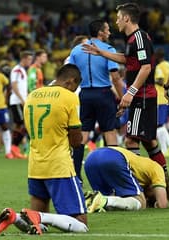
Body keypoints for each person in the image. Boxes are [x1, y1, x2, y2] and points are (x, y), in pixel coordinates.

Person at [0, 64, 88, 235]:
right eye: (75, 87)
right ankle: (38, 216)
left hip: (35, 166)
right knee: (81, 225)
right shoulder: (69, 97)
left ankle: (15, 217)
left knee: (38, 226)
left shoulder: (32, 96)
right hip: (59, 166)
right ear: (71, 82)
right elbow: (76, 141)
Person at [82, 3, 169, 186]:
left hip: (143, 96)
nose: (116, 22)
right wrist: (101, 52)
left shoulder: (139, 38)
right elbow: (126, 59)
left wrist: (130, 92)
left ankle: (138, 185)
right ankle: (165, 183)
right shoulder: (132, 40)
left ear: (126, 19)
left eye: (118, 18)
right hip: (140, 96)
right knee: (149, 142)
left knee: (131, 140)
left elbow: (146, 67)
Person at [66, 19, 123, 181]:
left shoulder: (76, 51)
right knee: (110, 133)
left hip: (85, 94)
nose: (110, 32)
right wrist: (122, 97)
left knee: (83, 135)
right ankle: (115, 175)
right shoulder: (108, 50)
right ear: (100, 32)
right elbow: (116, 77)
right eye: (107, 29)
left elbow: (70, 76)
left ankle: (75, 176)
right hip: (104, 93)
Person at [84, 146, 169, 212]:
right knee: (141, 202)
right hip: (113, 157)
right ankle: (103, 200)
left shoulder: (139, 177)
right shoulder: (158, 169)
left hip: (91, 158)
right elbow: (163, 204)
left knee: (104, 203)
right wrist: (156, 203)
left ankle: (85, 201)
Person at [9, 51, 33, 159]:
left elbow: (23, 87)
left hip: (22, 100)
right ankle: (14, 147)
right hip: (17, 101)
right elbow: (13, 85)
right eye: (29, 59)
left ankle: (14, 148)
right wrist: (22, 99)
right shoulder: (16, 70)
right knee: (23, 124)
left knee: (20, 125)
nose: (30, 61)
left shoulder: (23, 70)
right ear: (23, 59)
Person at [154, 48, 169, 157]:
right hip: (167, 97)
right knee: (160, 124)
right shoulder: (168, 65)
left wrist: (150, 80)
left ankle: (164, 149)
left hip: (159, 98)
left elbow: (160, 80)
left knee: (158, 125)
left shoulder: (158, 67)